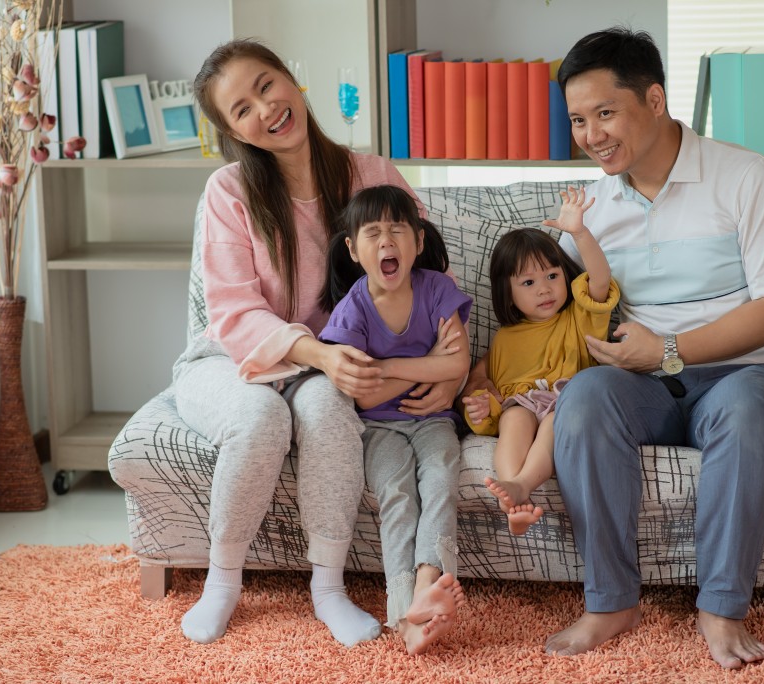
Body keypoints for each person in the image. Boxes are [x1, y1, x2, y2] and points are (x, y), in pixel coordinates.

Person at [462, 28, 764, 669]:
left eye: (605, 113)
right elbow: (549, 314)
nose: (591, 134)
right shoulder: (591, 209)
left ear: (654, 99)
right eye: (578, 120)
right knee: (585, 396)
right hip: (640, 385)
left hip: (742, 374)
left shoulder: (748, 178)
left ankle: (721, 607)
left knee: (746, 411)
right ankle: (610, 602)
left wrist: (669, 349)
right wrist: (479, 375)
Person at [177, 39, 460, 647]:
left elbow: (434, 275)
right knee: (259, 418)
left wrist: (452, 372)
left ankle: (328, 589)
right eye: (242, 109)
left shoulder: (372, 174)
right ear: (234, 132)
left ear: (290, 78)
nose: (265, 109)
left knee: (330, 411)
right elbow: (232, 312)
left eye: (266, 85)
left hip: (321, 369)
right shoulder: (230, 191)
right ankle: (222, 581)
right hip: (230, 359)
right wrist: (320, 354)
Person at [319, 184, 471, 655]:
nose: (386, 241)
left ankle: (427, 585)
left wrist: (386, 369)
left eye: (397, 230)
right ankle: (404, 616)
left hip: (433, 418)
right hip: (378, 428)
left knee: (441, 479)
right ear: (353, 249)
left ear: (418, 241)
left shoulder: (436, 289)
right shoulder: (353, 309)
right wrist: (427, 362)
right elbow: (363, 396)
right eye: (373, 233)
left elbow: (456, 363)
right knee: (398, 496)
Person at [460, 189, 620, 536]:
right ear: (508, 294)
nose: (544, 289)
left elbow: (600, 280)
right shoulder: (504, 340)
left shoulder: (578, 318)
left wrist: (579, 232)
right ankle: (511, 496)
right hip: (522, 405)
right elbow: (490, 395)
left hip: (566, 404)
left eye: (552, 276)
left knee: (551, 422)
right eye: (529, 282)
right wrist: (480, 406)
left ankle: (522, 485)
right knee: (514, 419)